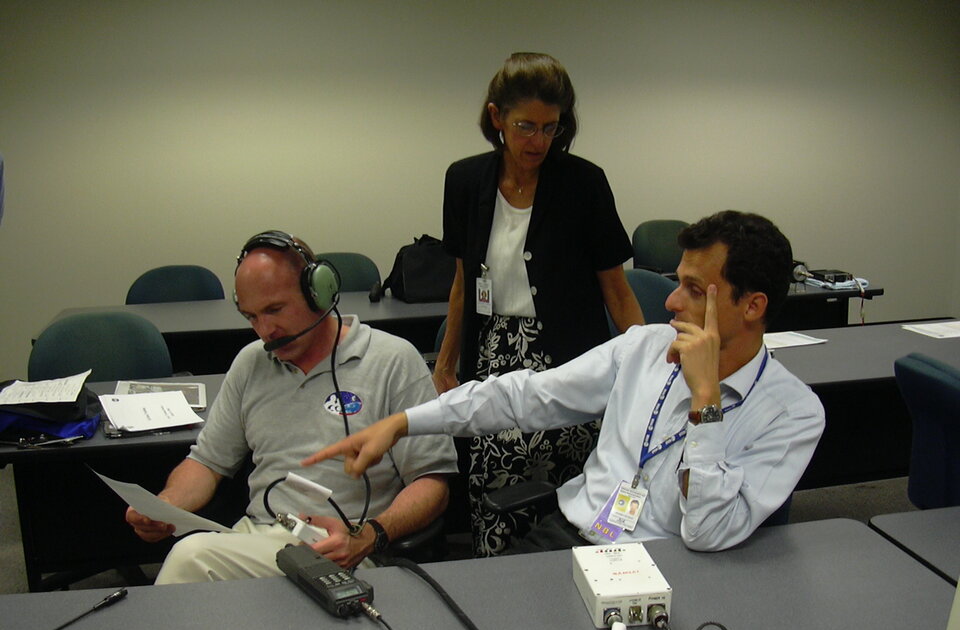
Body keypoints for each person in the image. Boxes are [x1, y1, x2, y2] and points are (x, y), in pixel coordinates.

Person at [305, 211, 826, 553]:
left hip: (673, 565)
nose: (669, 301)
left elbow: (708, 533)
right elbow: (526, 396)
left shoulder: (794, 414)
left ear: (752, 305)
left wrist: (706, 400)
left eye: (692, 289)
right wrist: (402, 423)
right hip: (573, 534)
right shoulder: (642, 348)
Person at [126, 230, 458, 582]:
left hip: (347, 550)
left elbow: (431, 482)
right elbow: (206, 463)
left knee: (190, 558)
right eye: (251, 317)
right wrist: (167, 505)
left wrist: (371, 534)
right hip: (258, 540)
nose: (265, 330)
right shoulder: (250, 363)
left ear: (319, 293)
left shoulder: (392, 360)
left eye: (275, 310)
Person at [432, 52, 645, 556]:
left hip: (571, 357)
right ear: (496, 117)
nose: (538, 142)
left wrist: (645, 363)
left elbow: (616, 289)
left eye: (552, 128)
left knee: (572, 496)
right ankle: (501, 586)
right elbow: (463, 282)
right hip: (494, 357)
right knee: (496, 484)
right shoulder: (464, 181)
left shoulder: (583, 183)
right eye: (526, 126)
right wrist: (445, 364)